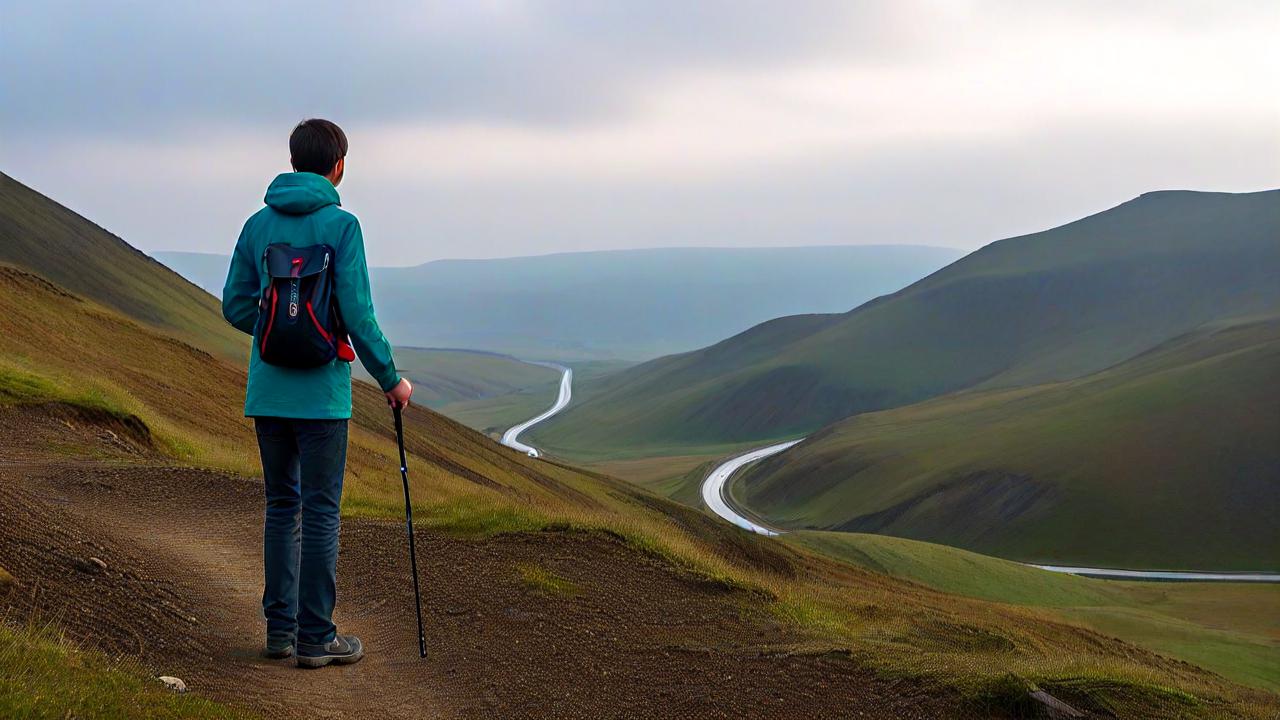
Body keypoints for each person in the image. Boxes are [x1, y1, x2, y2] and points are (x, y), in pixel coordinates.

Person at [222, 118, 413, 668]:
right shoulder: (342, 225)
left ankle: (279, 632)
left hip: (268, 391)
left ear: (292, 160)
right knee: (321, 510)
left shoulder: (258, 225)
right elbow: (356, 312)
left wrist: (272, 334)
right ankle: (316, 638)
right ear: (339, 166)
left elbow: (235, 305)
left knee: (282, 506)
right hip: (324, 397)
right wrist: (390, 378)